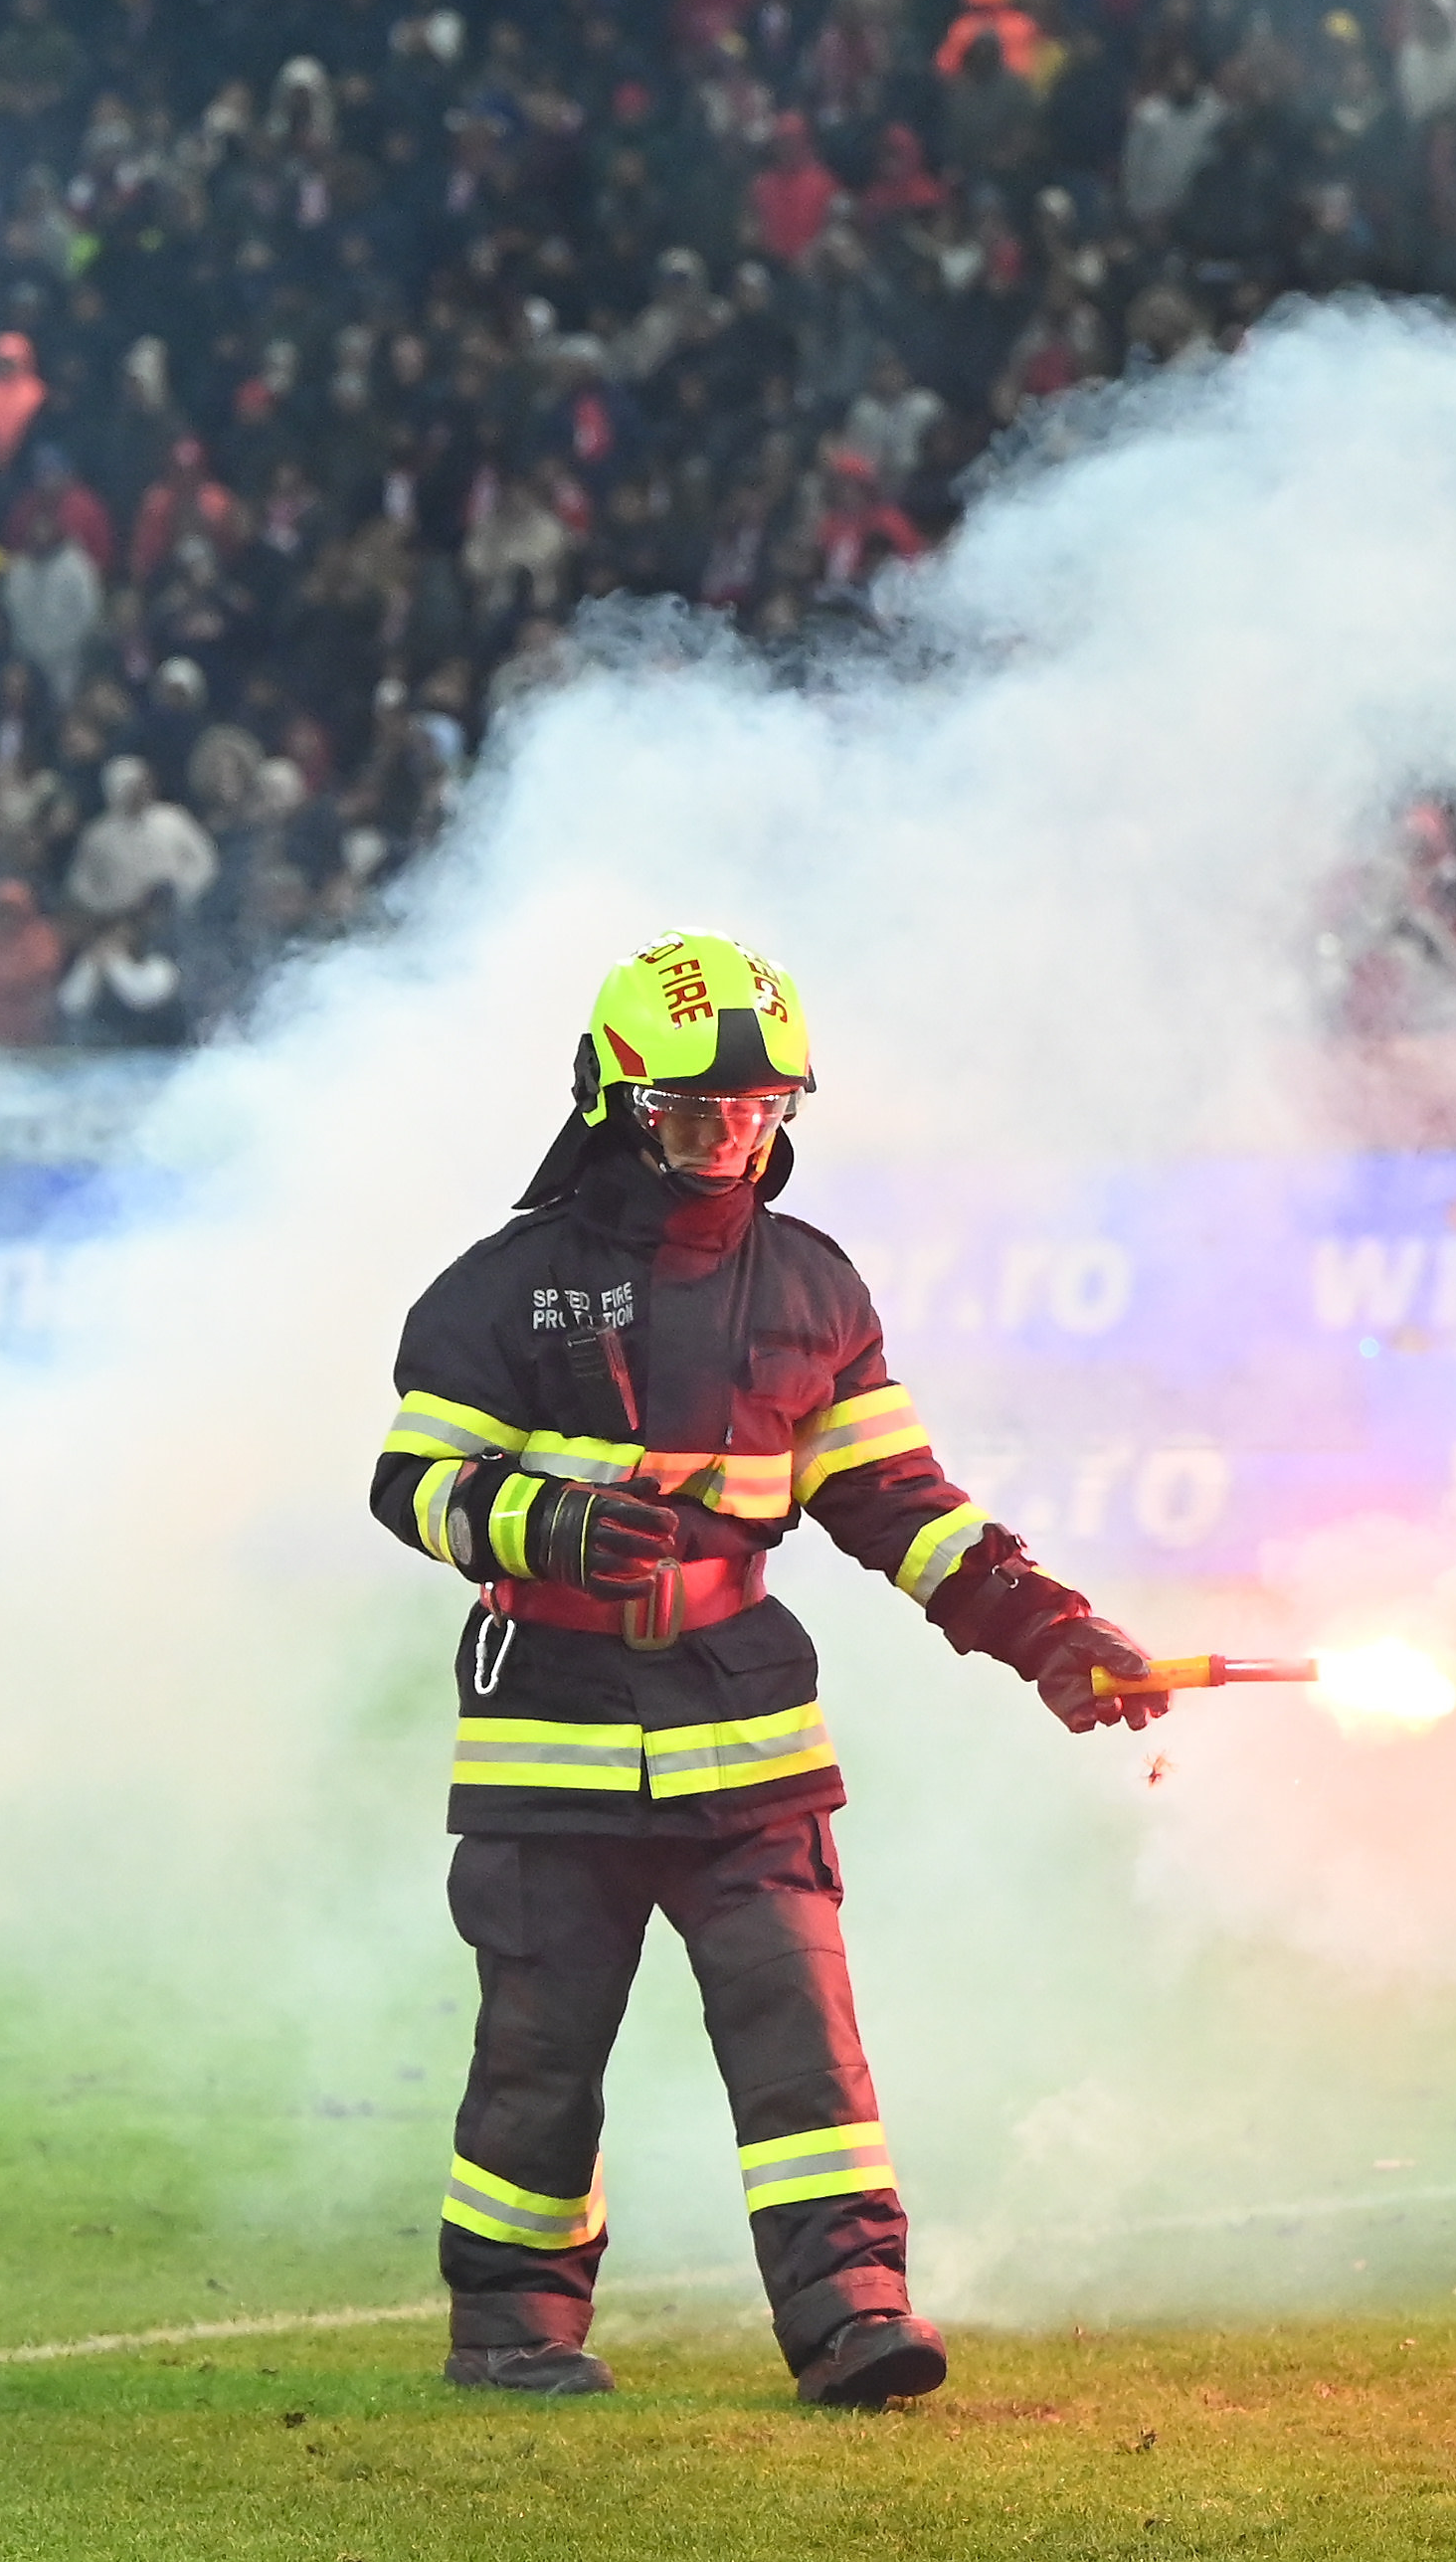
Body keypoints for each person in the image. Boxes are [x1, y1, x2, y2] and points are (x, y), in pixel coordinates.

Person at [367, 932, 1162, 2410]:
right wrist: (549, 1521)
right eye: (690, 1113)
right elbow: (410, 1482)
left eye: (755, 1110)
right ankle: (512, 2328)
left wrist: (1051, 1630)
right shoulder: (503, 1289)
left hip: (747, 1725)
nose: (726, 1139)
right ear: (614, 1102)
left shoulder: (812, 1287)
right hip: (549, 1728)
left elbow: (899, 1505)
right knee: (538, 2061)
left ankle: (855, 2314)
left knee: (802, 2049)